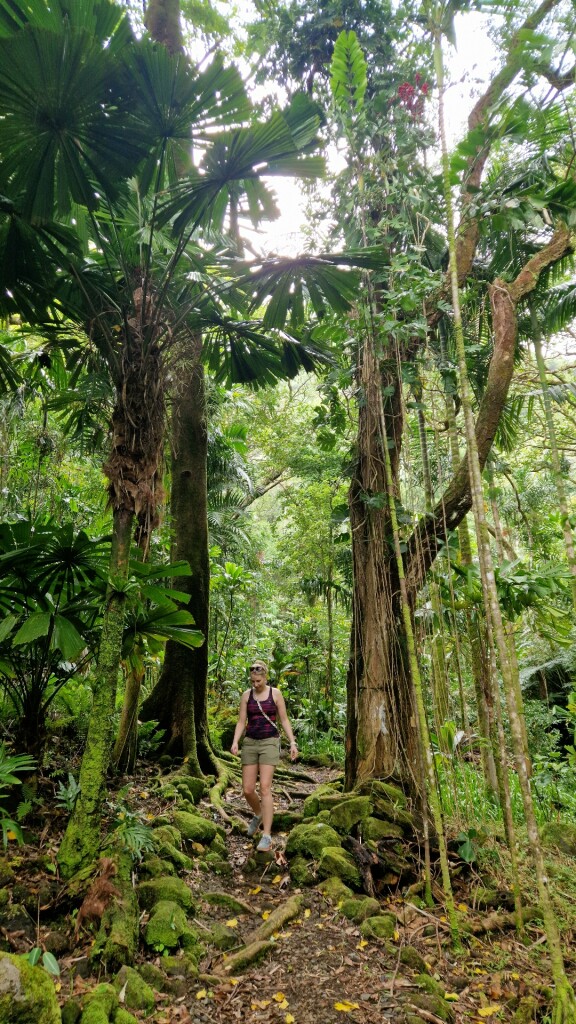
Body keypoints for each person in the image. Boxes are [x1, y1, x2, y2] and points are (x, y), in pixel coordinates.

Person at [231, 659, 298, 852]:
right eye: (252, 681)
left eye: (258, 681)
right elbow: (241, 721)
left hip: (270, 742)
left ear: (265, 677)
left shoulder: (275, 694)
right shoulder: (246, 696)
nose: (255, 684)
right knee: (248, 789)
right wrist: (236, 741)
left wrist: (292, 742)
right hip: (251, 742)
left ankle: (266, 835)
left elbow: (284, 719)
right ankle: (258, 813)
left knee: (265, 788)